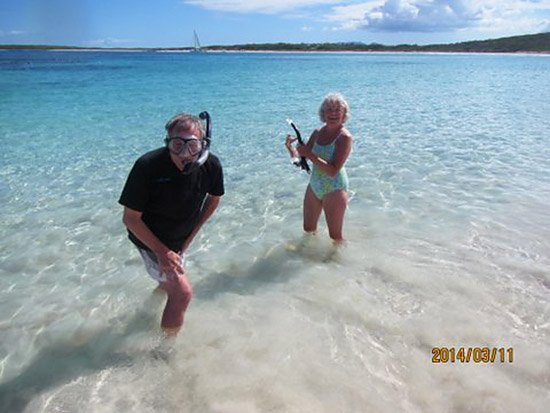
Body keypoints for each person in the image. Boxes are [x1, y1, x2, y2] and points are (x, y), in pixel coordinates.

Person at [119, 113, 224, 336]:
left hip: (179, 242)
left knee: (170, 285)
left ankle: (148, 309)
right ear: (168, 143)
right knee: (182, 294)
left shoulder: (211, 165)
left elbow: (214, 199)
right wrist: (162, 252)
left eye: (192, 145)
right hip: (149, 240)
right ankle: (163, 353)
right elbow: (130, 218)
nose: (184, 154)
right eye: (177, 145)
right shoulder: (147, 166)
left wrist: (189, 238)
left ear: (203, 145)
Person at [285, 93, 352, 243]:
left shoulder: (344, 137)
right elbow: (303, 159)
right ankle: (310, 259)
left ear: (344, 113)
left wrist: (309, 154)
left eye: (337, 110)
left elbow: (333, 170)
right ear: (323, 113)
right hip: (315, 186)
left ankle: (339, 263)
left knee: (335, 236)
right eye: (329, 109)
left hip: (334, 188)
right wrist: (290, 148)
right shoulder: (317, 132)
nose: (333, 113)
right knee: (308, 229)